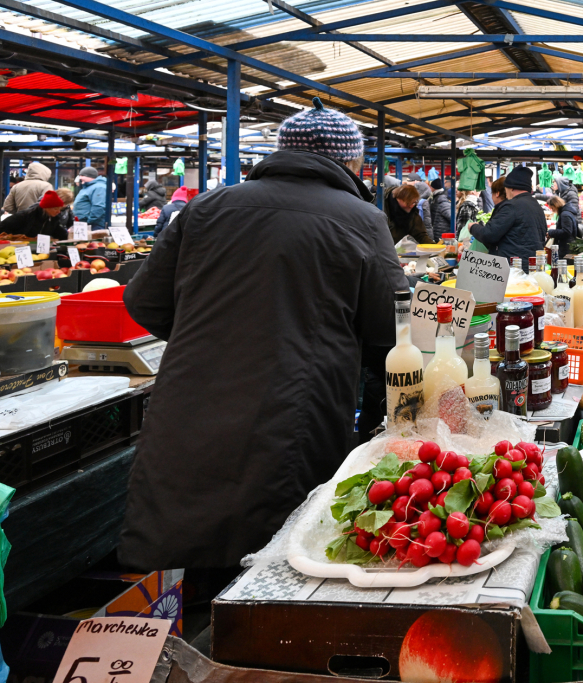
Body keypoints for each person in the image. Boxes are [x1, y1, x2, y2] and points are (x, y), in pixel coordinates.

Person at [119, 96, 406, 572]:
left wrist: (210, 336)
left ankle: (166, 636)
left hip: (189, 407)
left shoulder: (207, 207)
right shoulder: (361, 219)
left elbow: (142, 301)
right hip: (295, 411)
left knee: (177, 552)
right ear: (350, 160)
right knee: (275, 558)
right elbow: (390, 333)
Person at [469, 166, 544, 264]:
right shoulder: (536, 205)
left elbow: (489, 234)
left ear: (511, 188)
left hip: (514, 268)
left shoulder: (511, 206)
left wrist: (473, 227)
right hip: (532, 265)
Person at [1, 188, 73, 239]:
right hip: (19, 248)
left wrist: (72, 237)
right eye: (55, 209)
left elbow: (60, 233)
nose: (58, 211)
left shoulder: (53, 218)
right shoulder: (27, 214)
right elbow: (3, 226)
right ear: (47, 207)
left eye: (60, 209)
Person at [546, 195, 579, 260]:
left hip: (566, 247)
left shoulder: (565, 214)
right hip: (569, 246)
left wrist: (551, 232)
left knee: (564, 267)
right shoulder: (568, 212)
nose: (552, 210)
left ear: (555, 205)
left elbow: (566, 231)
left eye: (552, 208)